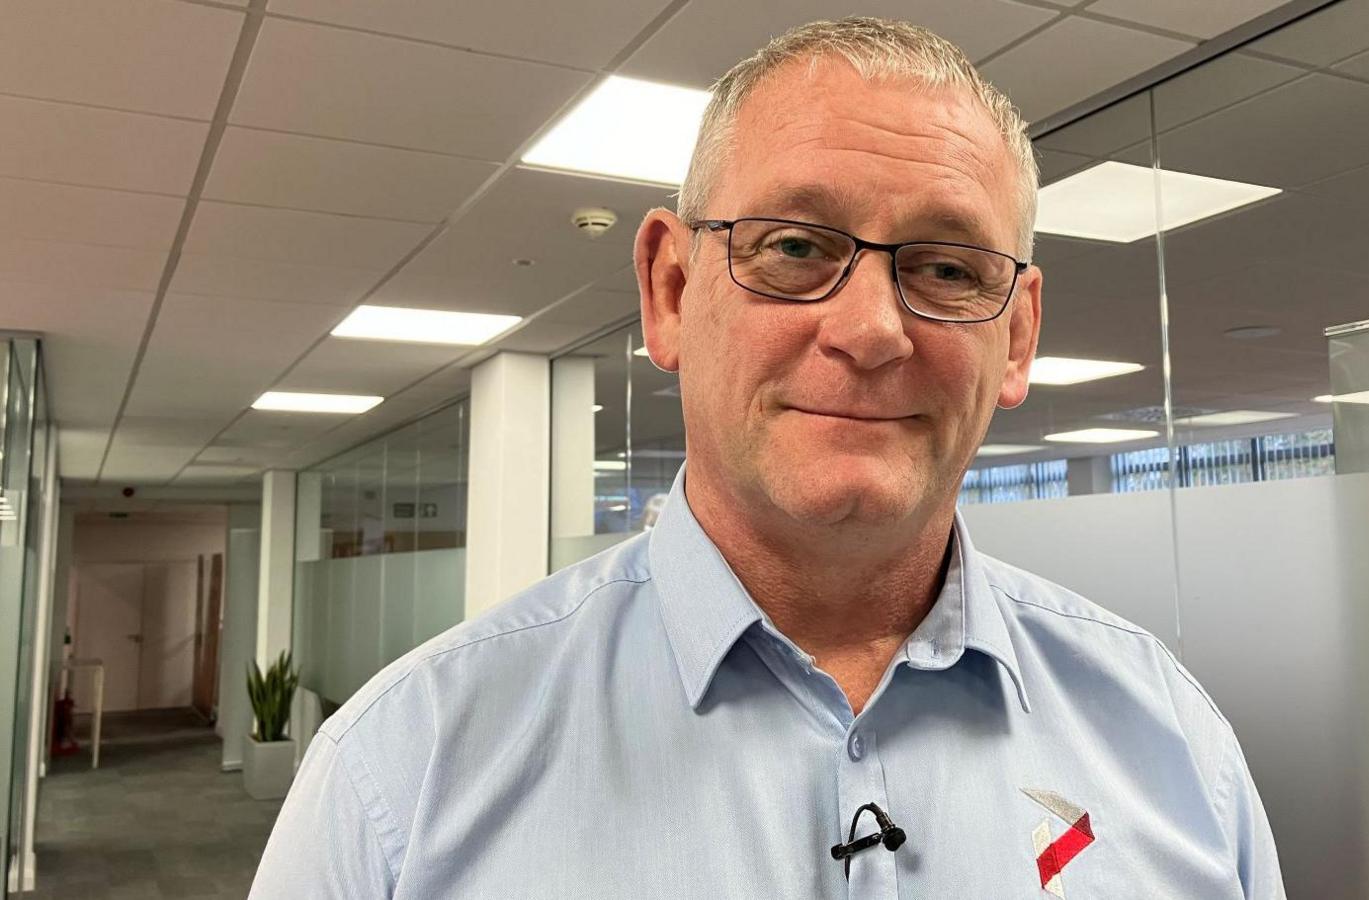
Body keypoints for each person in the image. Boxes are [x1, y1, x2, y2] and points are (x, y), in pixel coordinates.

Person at [250, 17, 1283, 898]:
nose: (872, 330)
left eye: (948, 267)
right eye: (794, 247)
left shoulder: (1173, 744)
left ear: (1015, 336)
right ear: (667, 291)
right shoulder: (403, 776)